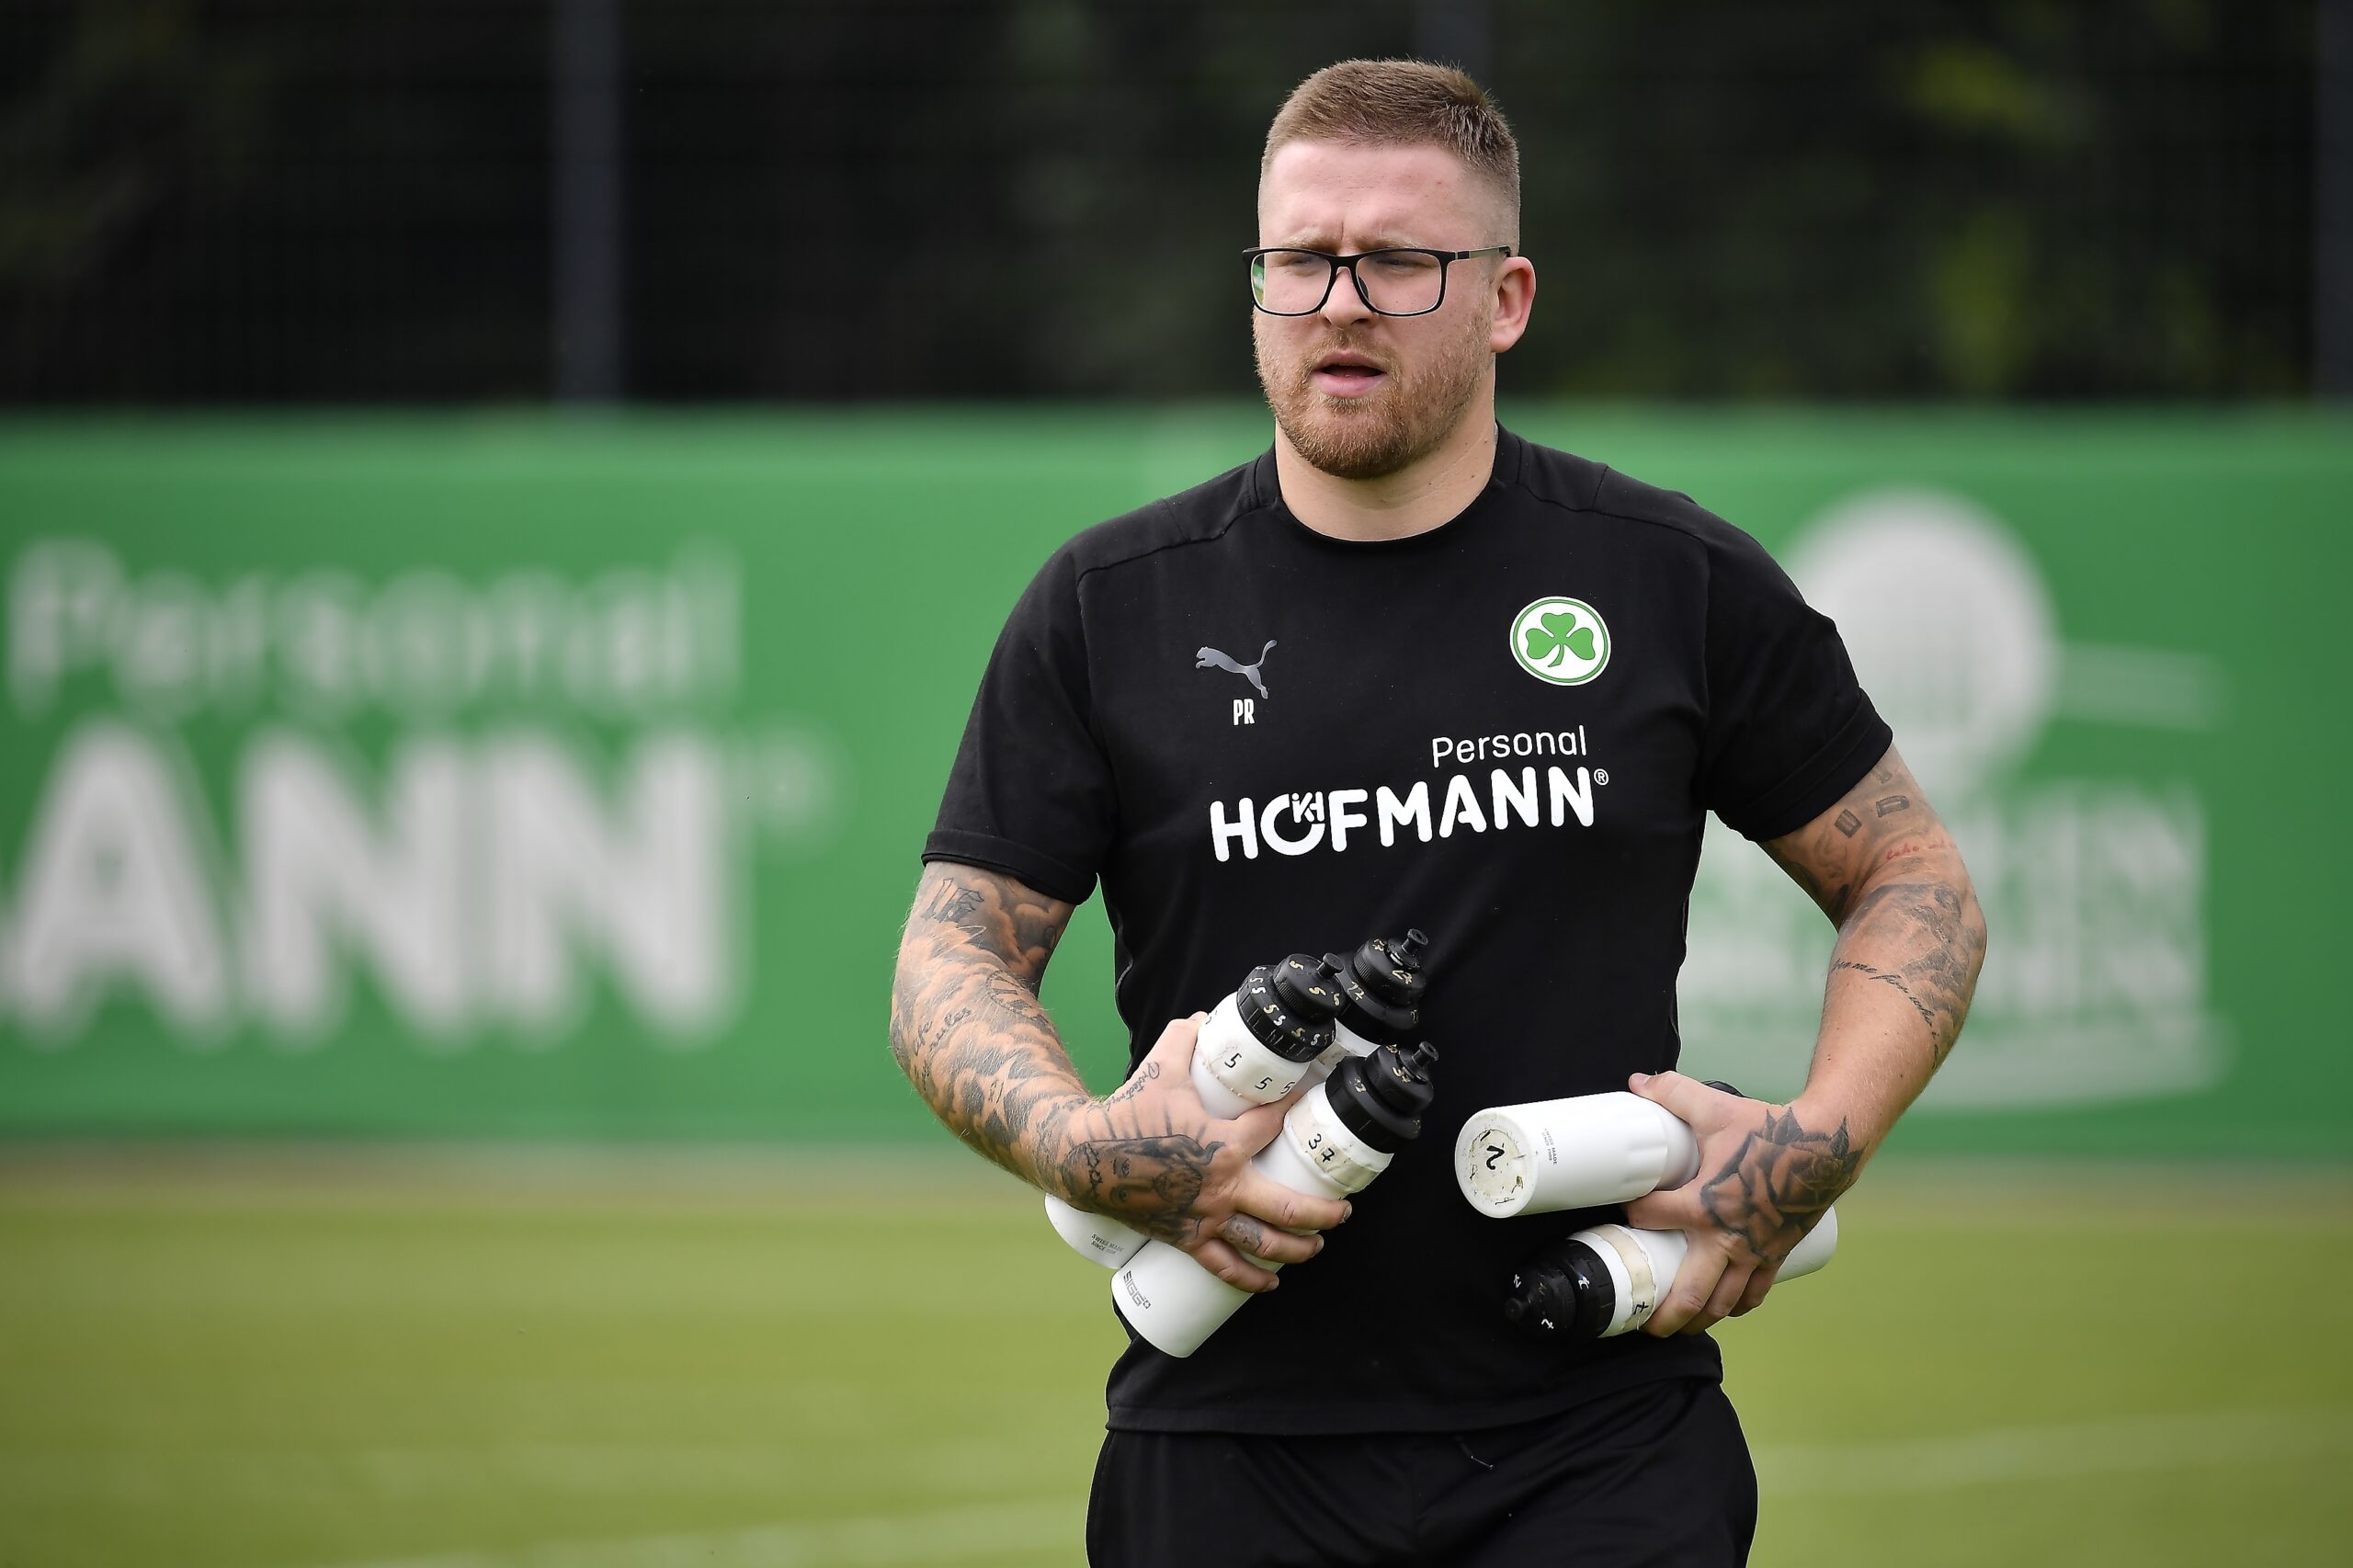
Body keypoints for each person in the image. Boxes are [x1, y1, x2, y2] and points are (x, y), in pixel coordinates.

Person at [889, 57, 1986, 1568]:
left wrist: (1812, 1146)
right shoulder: (1107, 607)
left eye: (1400, 259)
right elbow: (947, 960)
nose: (1340, 298)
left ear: (1509, 296)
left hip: (1601, 1443)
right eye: (1299, 257)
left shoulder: (1669, 578)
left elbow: (1915, 879)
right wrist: (1080, 1144)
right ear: (1256, 283)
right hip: (1222, 1443)